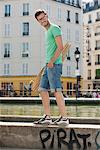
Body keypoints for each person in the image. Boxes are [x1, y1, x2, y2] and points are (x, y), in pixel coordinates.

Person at [34, 9, 69, 126]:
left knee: (56, 91)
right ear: (38, 22)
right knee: (42, 90)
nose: (43, 20)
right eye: (40, 20)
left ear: (46, 16)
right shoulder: (47, 31)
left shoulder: (54, 28)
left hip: (54, 65)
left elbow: (60, 47)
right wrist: (48, 63)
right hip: (48, 64)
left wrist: (52, 61)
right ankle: (48, 117)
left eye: (43, 18)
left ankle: (64, 118)